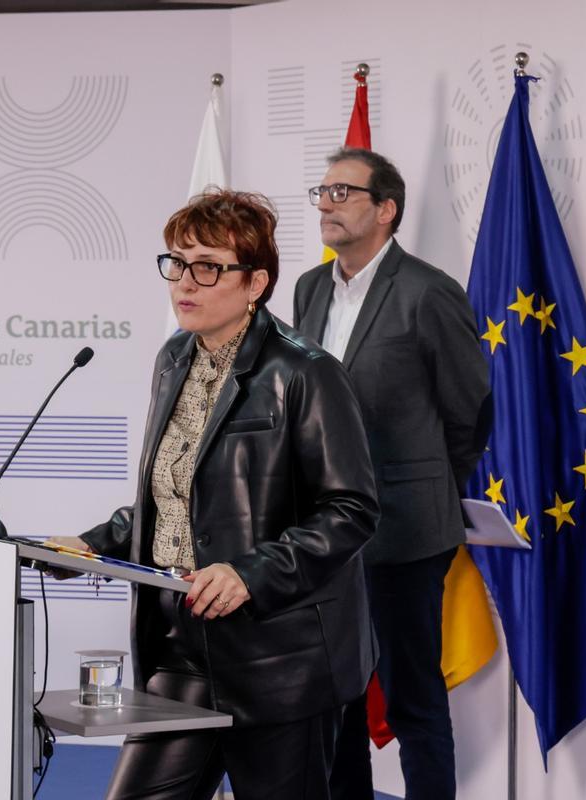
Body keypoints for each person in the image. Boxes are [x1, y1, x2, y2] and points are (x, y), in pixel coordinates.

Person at [51, 189, 379, 800]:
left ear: (256, 282)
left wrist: (250, 573)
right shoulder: (174, 358)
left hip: (280, 658)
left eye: (207, 267)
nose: (185, 281)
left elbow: (350, 510)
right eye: (177, 263)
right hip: (182, 647)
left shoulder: (305, 372)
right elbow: (176, 498)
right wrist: (91, 545)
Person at [294, 148, 490, 800]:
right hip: (325, 535)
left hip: (406, 532)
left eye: (343, 192)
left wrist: (423, 484)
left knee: (413, 699)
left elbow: (469, 411)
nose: (326, 204)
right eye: (323, 191)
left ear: (386, 209)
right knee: (337, 696)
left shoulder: (428, 292)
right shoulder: (309, 288)